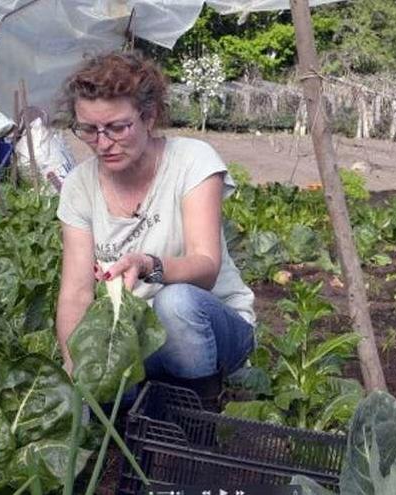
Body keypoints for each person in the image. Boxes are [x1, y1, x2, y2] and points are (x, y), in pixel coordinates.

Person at [55, 51, 255, 397]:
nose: (103, 144)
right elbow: (76, 294)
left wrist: (148, 264)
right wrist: (77, 374)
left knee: (175, 304)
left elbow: (205, 267)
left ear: (148, 118)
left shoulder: (192, 161)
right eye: (89, 130)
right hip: (138, 337)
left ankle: (198, 417)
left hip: (213, 328)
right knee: (102, 395)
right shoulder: (79, 185)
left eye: (117, 127)